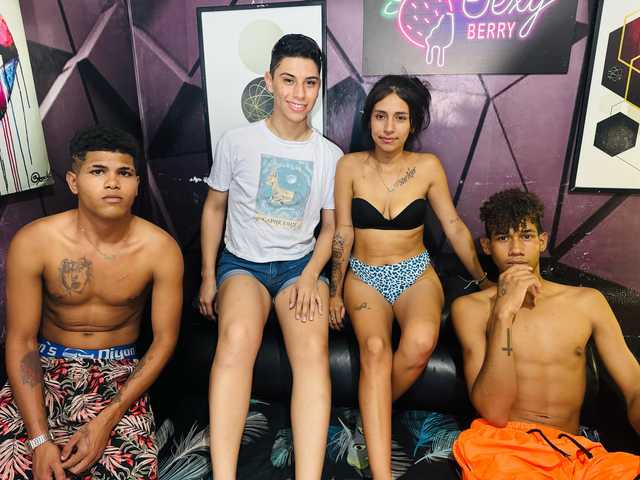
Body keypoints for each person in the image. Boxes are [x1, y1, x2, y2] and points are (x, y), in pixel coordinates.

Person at [328, 75, 489, 480]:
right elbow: (342, 232)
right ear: (369, 119)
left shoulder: (427, 166)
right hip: (364, 275)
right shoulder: (349, 166)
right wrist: (335, 291)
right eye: (380, 116)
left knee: (419, 343)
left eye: (399, 118)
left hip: (415, 273)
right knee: (375, 349)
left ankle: (370, 411)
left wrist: (485, 280)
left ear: (413, 123)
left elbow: (453, 226)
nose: (388, 127)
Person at [1, 125, 183, 480]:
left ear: (137, 184)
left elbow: (164, 341)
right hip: (44, 368)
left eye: (124, 173)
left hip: (119, 374)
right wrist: (39, 440)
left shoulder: (160, 250)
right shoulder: (34, 241)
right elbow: (21, 340)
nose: (112, 183)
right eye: (98, 171)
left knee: (126, 470)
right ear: (73, 181)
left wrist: (106, 421)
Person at [198, 34, 342, 480]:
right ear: (270, 81)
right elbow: (214, 208)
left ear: (319, 87)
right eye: (289, 80)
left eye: (310, 82)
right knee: (236, 338)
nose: (299, 93)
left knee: (312, 351)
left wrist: (312, 276)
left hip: (301, 267)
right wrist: (208, 275)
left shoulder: (329, 155)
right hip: (243, 265)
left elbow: (331, 228)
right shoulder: (237, 142)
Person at [452, 188, 640, 479]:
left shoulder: (587, 302)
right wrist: (504, 313)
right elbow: (495, 411)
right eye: (503, 238)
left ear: (542, 241)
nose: (516, 249)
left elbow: (635, 387)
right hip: (504, 448)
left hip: (574, 452)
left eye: (526, 236)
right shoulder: (470, 309)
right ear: (487, 246)